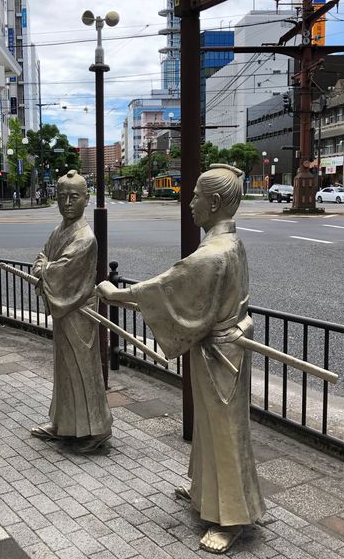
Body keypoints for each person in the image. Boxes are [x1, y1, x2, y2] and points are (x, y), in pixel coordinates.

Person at [97, 164, 265, 554]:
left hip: (222, 353)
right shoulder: (230, 243)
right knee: (210, 428)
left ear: (216, 202)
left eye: (195, 197)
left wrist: (116, 293)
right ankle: (205, 493)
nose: (188, 203)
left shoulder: (213, 253)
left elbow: (165, 286)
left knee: (225, 433)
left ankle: (231, 519)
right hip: (222, 349)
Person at [31, 170, 113, 453]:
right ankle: (63, 424)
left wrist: (45, 270)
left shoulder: (85, 238)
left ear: (86, 199)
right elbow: (44, 256)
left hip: (79, 312)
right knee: (64, 370)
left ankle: (97, 429)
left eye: (74, 197)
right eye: (62, 196)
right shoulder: (60, 230)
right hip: (66, 311)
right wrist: (45, 267)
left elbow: (59, 270)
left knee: (82, 370)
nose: (67, 202)